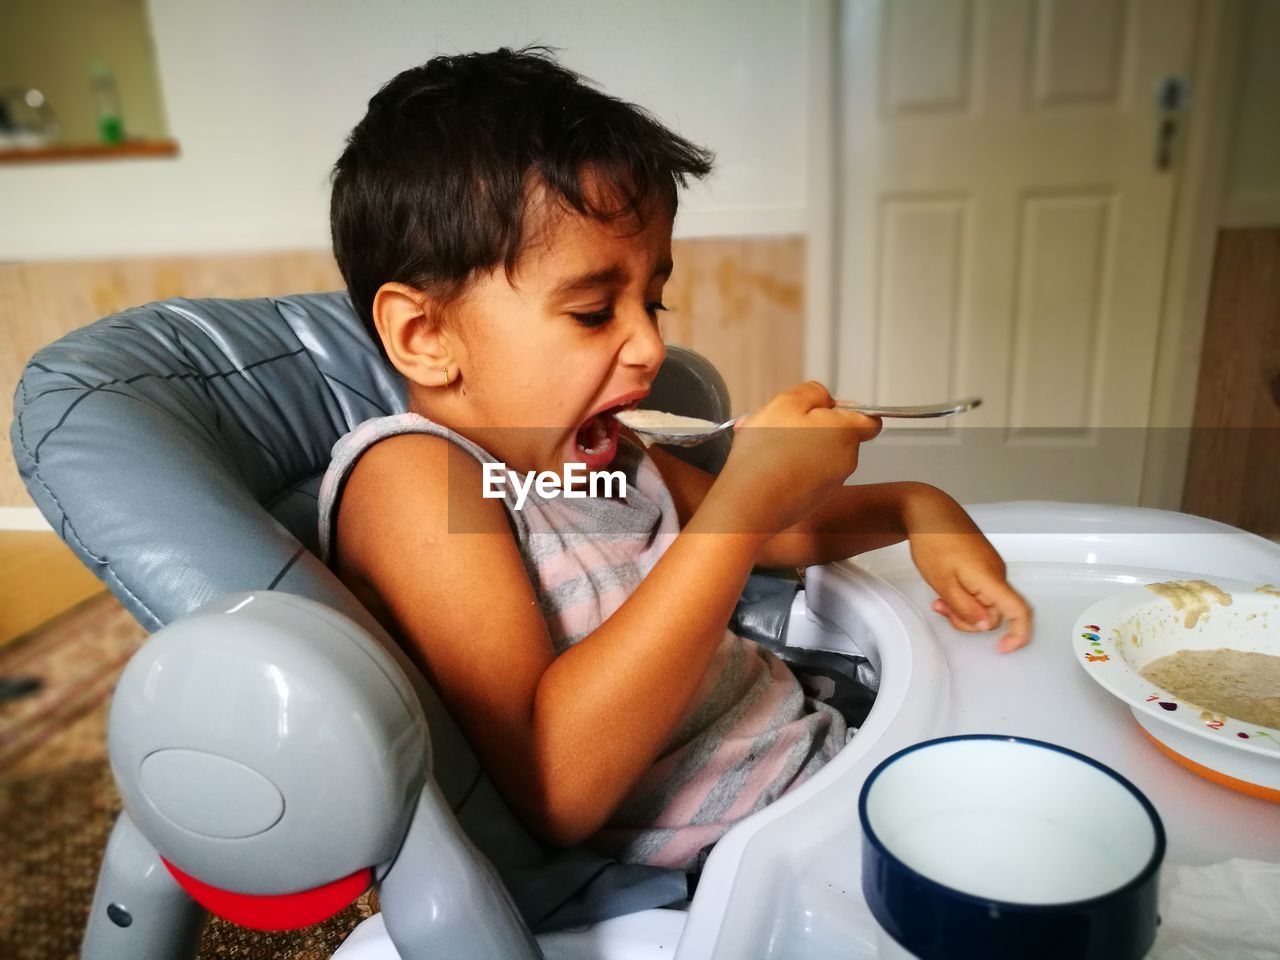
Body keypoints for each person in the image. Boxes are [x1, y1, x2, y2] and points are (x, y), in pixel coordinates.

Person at [320, 47, 1032, 872]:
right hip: (760, 864)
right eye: (592, 312)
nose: (652, 346)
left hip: (830, 771)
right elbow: (556, 787)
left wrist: (917, 506)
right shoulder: (414, 480)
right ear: (425, 336)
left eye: (652, 299)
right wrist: (742, 508)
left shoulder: (606, 454)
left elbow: (788, 536)